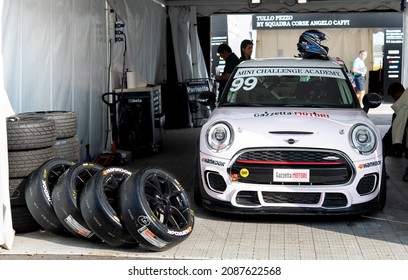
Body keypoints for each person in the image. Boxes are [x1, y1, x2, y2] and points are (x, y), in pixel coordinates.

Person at [382, 82, 408, 181]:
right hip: (402, 134)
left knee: (383, 147)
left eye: (394, 96)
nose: (394, 99)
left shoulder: (403, 106)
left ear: (399, 92)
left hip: (401, 134)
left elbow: (396, 129)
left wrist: (394, 143)